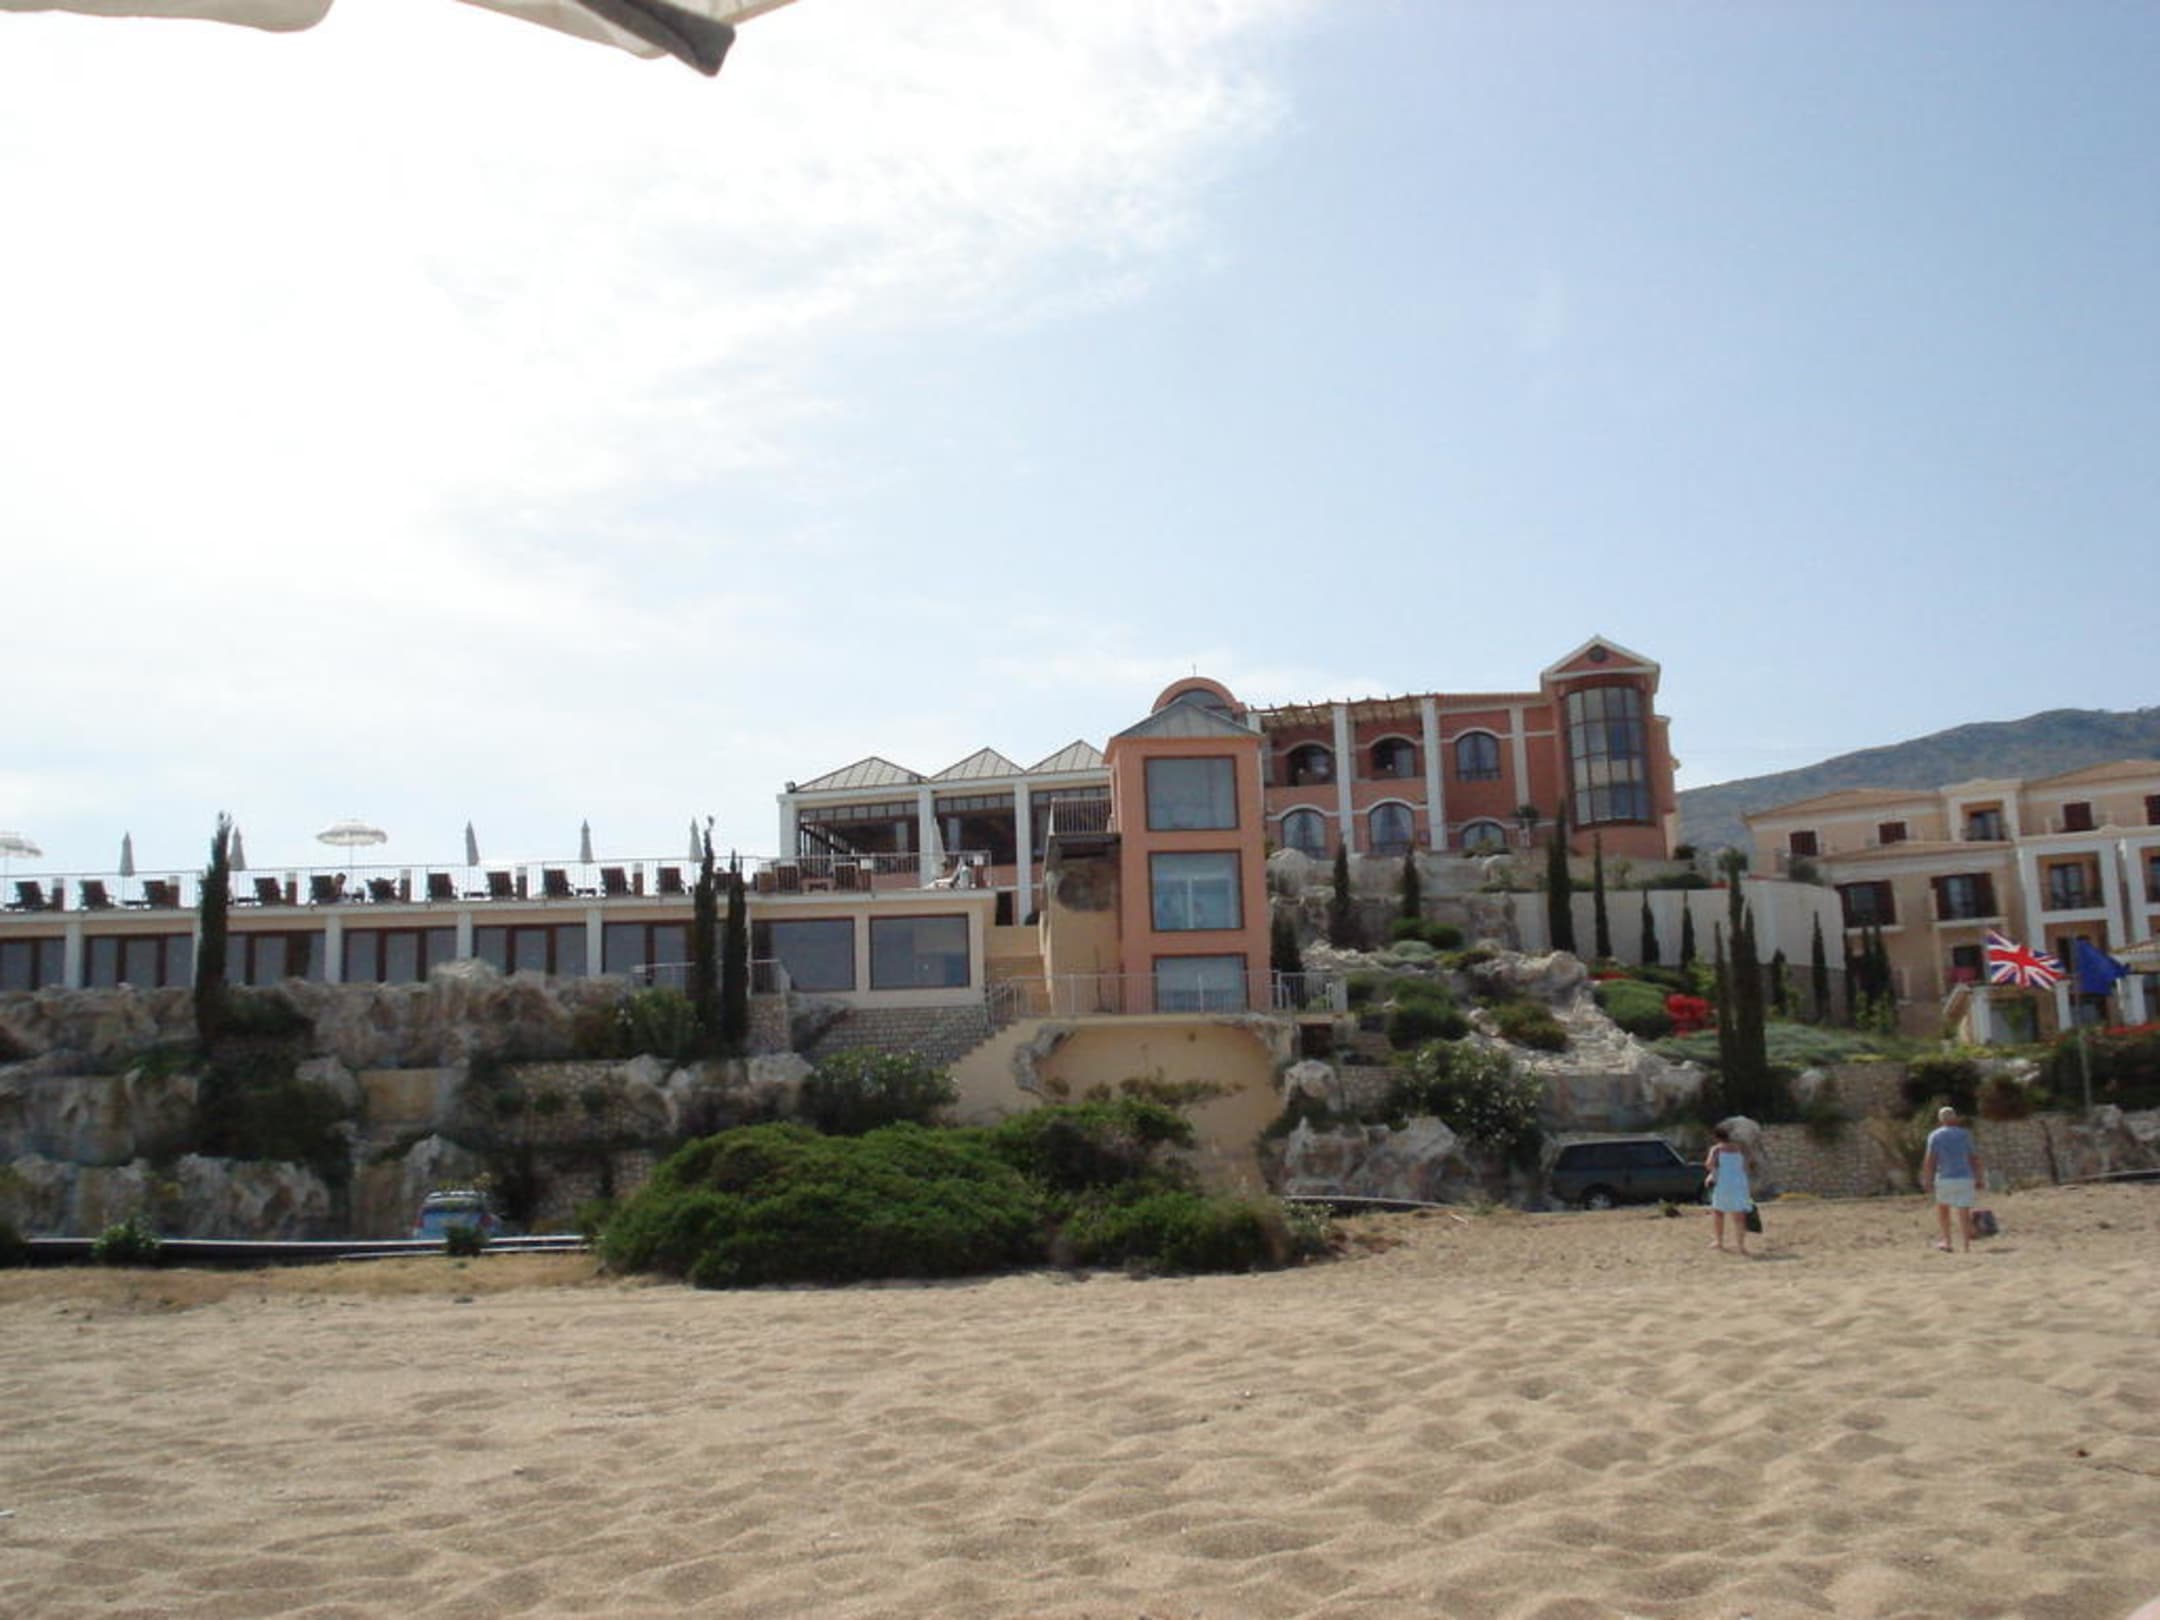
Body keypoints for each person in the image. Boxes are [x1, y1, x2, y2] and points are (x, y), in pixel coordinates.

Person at [1922, 1105, 1986, 1253]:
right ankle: (1966, 1244)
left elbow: (1930, 1159)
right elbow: (1973, 1157)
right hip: (1964, 1176)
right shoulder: (1965, 1135)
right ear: (1955, 1118)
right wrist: (1979, 1176)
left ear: (1940, 1120)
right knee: (1964, 1210)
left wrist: (1927, 1179)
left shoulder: (1935, 1136)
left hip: (1945, 1176)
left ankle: (1947, 1241)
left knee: (1943, 1209)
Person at [1704, 1124, 1753, 1256]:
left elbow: (1709, 1164)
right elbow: (1746, 1165)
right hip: (1739, 1182)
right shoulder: (1741, 1148)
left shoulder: (1716, 1149)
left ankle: (1719, 1241)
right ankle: (1741, 1246)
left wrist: (1712, 1174)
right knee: (1739, 1215)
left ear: (1716, 1137)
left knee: (1718, 1212)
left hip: (1724, 1182)